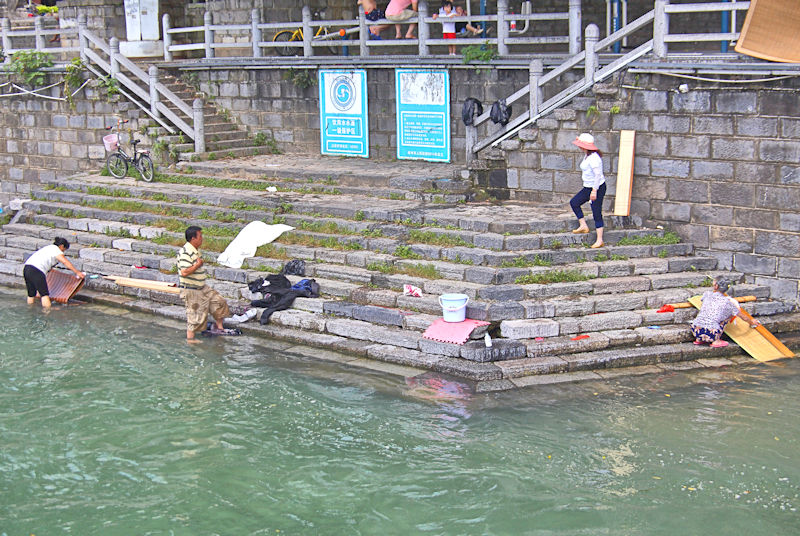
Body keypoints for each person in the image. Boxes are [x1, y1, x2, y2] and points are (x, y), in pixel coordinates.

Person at [177, 226, 231, 342]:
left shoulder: (196, 250)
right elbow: (184, 272)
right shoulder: (185, 252)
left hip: (202, 287)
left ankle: (219, 328)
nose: (202, 239)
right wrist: (197, 265)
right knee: (195, 316)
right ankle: (191, 340)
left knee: (219, 302)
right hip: (192, 289)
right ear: (193, 238)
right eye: (200, 236)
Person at [691, 277, 759, 348]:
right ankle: (716, 341)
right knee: (729, 315)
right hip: (712, 332)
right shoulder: (728, 302)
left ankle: (699, 339)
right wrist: (752, 322)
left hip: (695, 329)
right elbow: (743, 317)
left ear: (716, 286)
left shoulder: (707, 294)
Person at [23, 237, 85, 309]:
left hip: (26, 268)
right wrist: (77, 272)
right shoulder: (56, 250)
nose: (63, 252)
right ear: (61, 246)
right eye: (64, 249)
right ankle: (47, 312)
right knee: (44, 294)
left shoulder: (48, 248)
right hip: (37, 270)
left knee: (31, 294)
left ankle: (30, 309)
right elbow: (65, 261)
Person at [570, 132, 606, 249]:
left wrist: (594, 191)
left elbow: (598, 175)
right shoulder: (587, 155)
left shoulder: (594, 158)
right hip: (587, 186)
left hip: (596, 187)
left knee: (596, 212)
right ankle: (583, 225)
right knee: (574, 202)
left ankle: (599, 240)